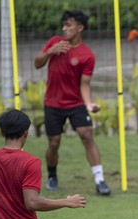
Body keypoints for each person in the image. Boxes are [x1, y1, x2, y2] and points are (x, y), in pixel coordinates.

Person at [34, 10, 111, 196]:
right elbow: (37, 63)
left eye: (69, 25)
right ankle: (52, 176)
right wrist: (51, 51)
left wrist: (89, 104)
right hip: (52, 103)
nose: (64, 28)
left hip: (76, 103)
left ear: (80, 28)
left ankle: (99, 179)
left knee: (87, 135)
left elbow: (84, 83)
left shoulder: (87, 55)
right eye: (64, 25)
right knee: (54, 143)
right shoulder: (55, 42)